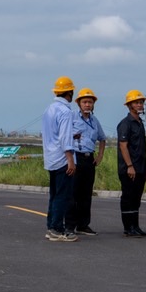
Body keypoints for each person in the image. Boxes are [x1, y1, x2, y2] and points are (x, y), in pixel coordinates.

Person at [40, 75, 79, 242]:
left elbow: (53, 134)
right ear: (70, 93)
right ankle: (57, 228)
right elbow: (64, 138)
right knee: (63, 196)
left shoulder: (49, 109)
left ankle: (51, 227)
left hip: (51, 157)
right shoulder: (66, 111)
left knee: (54, 195)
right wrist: (70, 159)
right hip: (62, 158)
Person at [70, 87, 106, 235]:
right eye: (84, 102)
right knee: (73, 193)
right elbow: (64, 136)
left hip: (89, 159)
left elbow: (102, 139)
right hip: (75, 157)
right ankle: (70, 225)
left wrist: (100, 156)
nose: (87, 105)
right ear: (79, 103)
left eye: (90, 102)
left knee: (86, 193)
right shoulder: (72, 117)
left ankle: (83, 225)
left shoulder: (94, 121)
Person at [116, 89, 146, 236]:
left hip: (140, 167)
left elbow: (142, 148)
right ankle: (128, 227)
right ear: (129, 105)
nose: (140, 105)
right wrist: (130, 166)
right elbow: (123, 146)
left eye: (141, 102)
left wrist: (145, 169)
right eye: (136, 103)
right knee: (128, 197)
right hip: (128, 168)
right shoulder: (125, 124)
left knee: (136, 198)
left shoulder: (140, 123)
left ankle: (135, 226)